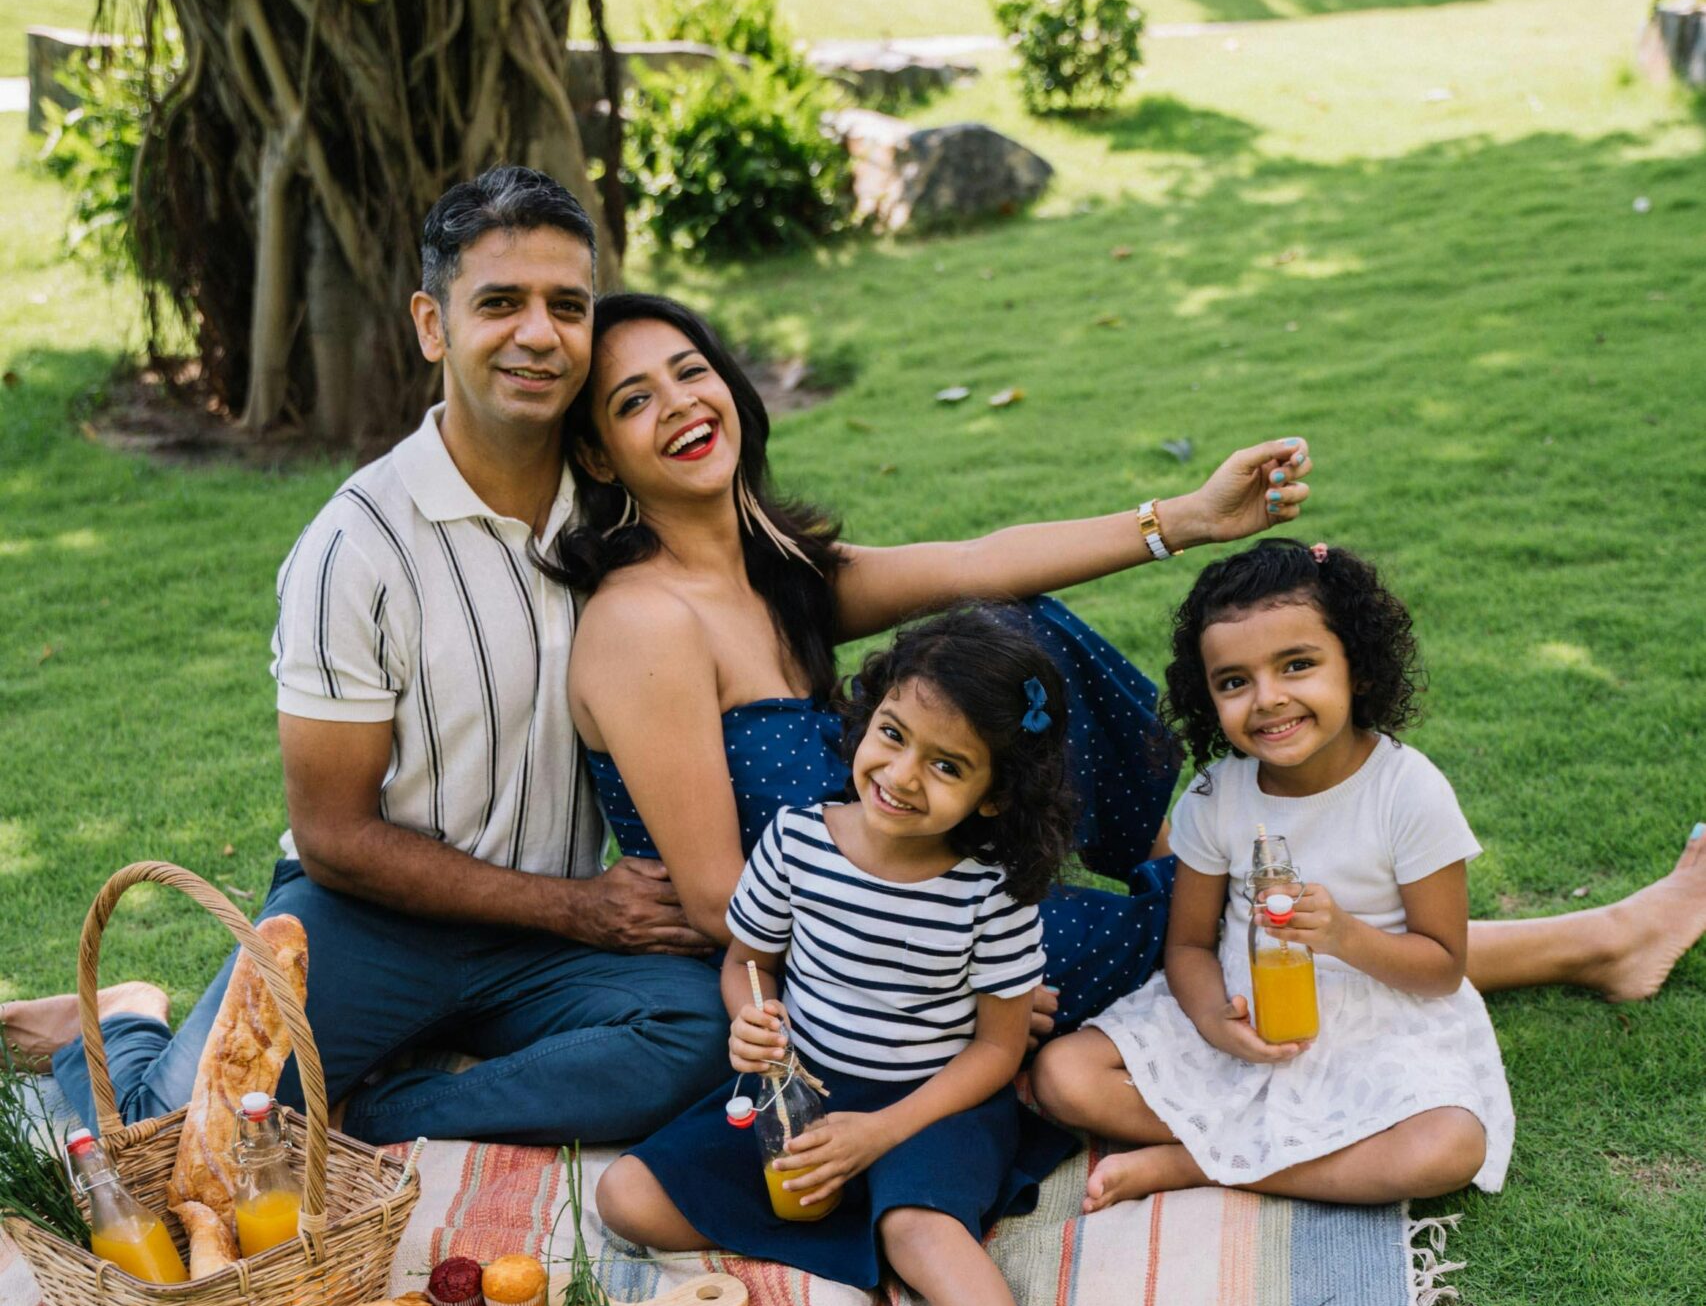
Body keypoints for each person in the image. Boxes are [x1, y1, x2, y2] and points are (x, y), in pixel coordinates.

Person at [556, 291, 1706, 1038]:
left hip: (916, 861)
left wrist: (1187, 518)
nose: (679, 406)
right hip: (857, 948)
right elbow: (719, 901)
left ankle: (1183, 853)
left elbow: (979, 559)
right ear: (599, 457)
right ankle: (1593, 941)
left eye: (689, 371)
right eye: (631, 401)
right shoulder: (644, 621)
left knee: (1015, 625)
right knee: (1191, 948)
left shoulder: (771, 570)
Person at [16, 169, 729, 1146]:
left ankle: (382, 1109)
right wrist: (584, 907)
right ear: (433, 325)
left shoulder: (611, 498)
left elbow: (780, 579)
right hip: (364, 923)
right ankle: (123, 1021)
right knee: (177, 1147)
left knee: (705, 1029)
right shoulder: (355, 547)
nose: (538, 333)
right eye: (499, 304)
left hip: (537, 946)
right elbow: (332, 838)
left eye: (567, 305)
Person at [597, 608, 1094, 1306]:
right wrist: (753, 1019)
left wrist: (884, 1134)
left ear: (992, 795)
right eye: (893, 736)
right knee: (626, 1199)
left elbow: (996, 1049)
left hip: (935, 1101)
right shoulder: (797, 840)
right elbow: (747, 963)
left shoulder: (990, 893)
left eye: (947, 766)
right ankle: (873, 1228)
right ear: (866, 721)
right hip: (803, 1092)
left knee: (919, 1229)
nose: (902, 776)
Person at [1031, 540, 1516, 1207]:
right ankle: (1259, 1148)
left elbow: (1441, 966)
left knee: (1449, 1146)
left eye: (1297, 665)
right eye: (1234, 681)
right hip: (1244, 1002)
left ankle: (1198, 1164)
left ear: (1359, 667)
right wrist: (1211, 1020)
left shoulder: (1407, 791)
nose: (1268, 699)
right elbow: (1189, 945)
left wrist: (1343, 936)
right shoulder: (1216, 795)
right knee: (1064, 1076)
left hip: (1374, 1019)